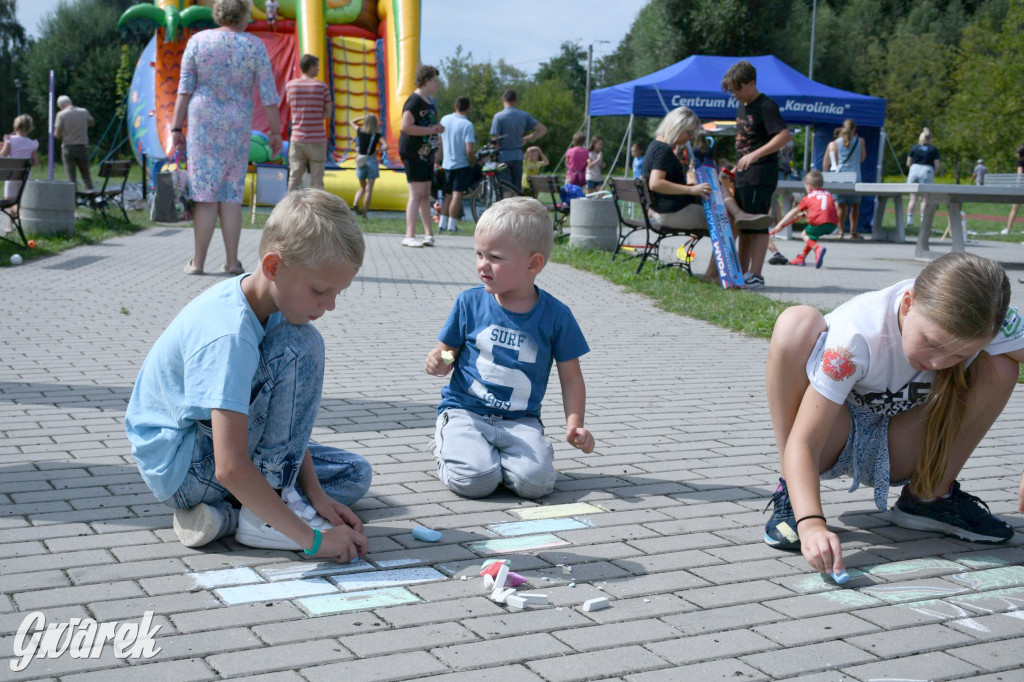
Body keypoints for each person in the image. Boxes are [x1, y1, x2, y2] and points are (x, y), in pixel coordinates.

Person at [125, 189, 373, 560]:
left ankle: (227, 517)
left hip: (208, 458)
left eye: (338, 292)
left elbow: (282, 426)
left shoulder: (269, 302)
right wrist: (315, 540)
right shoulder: (229, 333)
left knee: (354, 473)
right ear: (273, 267)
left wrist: (318, 497)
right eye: (321, 290)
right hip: (185, 467)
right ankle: (265, 517)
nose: (331, 306)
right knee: (302, 345)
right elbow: (229, 465)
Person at [763, 251, 1022, 578]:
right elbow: (805, 443)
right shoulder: (856, 335)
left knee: (1000, 365)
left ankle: (930, 497)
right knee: (795, 323)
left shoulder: (989, 316)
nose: (939, 363)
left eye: (960, 353)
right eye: (932, 342)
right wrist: (812, 524)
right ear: (908, 303)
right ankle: (792, 492)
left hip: (901, 442)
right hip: (831, 437)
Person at [424, 197, 594, 498]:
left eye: (495, 257)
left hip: (521, 421)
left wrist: (575, 424)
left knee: (537, 484)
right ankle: (451, 446)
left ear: (533, 263)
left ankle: (492, 459)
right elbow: (447, 351)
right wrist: (439, 360)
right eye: (479, 254)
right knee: (476, 482)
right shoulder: (470, 302)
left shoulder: (557, 315)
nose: (482, 265)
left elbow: (571, 378)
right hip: (466, 413)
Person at [171, 0, 282, 276]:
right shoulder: (254, 45)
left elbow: (184, 90)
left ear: (217, 14)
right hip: (237, 123)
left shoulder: (198, 41)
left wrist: (175, 128)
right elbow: (268, 94)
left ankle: (197, 263)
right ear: (243, 15)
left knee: (205, 194)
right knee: (231, 194)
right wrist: (276, 132)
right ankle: (233, 263)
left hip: (202, 122)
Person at [643, 106, 772, 282]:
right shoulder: (664, 151)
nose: (689, 138)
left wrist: (692, 187)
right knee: (729, 223)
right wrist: (691, 189)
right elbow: (656, 183)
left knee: (716, 185)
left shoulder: (655, 146)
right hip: (672, 213)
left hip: (663, 209)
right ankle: (712, 274)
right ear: (678, 127)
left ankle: (737, 214)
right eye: (688, 133)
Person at [721, 60, 793, 290]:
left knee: (758, 223)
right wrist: (738, 165)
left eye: (737, 89)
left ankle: (756, 274)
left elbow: (783, 136)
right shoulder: (743, 105)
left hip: (761, 174)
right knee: (743, 224)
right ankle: (742, 273)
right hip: (744, 174)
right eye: (732, 90)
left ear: (751, 83)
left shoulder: (766, 106)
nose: (735, 94)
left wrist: (754, 156)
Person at [399, 64, 443, 248]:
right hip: (413, 153)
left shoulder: (430, 101)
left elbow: (430, 126)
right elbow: (406, 126)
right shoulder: (414, 101)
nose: (437, 83)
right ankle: (409, 235)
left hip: (426, 154)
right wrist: (431, 129)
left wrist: (437, 130)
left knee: (425, 194)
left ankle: (428, 234)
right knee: (416, 194)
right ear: (425, 80)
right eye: (434, 80)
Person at [768, 170, 838, 268]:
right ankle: (801, 257)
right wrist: (807, 213)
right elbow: (824, 208)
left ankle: (817, 248)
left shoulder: (808, 197)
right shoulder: (827, 193)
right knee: (812, 236)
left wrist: (779, 225)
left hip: (820, 222)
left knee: (804, 234)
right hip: (833, 224)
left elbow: (793, 212)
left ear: (809, 186)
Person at [285, 54, 331, 192]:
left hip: (297, 138)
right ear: (311, 67)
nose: (317, 69)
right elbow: (328, 113)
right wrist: (317, 116)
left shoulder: (291, 86)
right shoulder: (322, 87)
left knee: (294, 179)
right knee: (317, 182)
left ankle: (289, 210)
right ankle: (318, 211)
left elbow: (290, 105)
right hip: (317, 139)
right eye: (317, 66)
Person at [490, 89, 547, 191]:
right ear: (516, 101)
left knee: (505, 188)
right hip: (518, 156)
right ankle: (516, 207)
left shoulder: (498, 117)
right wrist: (527, 138)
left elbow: (495, 140)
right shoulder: (524, 115)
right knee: (516, 188)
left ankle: (506, 207)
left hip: (503, 157)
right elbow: (542, 130)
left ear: (502, 99)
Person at [824, 119, 866, 239]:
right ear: (854, 129)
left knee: (841, 206)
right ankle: (852, 232)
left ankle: (841, 231)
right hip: (855, 176)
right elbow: (862, 158)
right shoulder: (860, 141)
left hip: (840, 176)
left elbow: (835, 161)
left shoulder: (836, 143)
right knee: (855, 206)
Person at [438, 96, 475, 233]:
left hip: (447, 163)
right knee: (457, 195)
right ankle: (452, 225)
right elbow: (469, 150)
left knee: (447, 195)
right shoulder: (467, 125)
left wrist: (437, 159)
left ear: (455, 105)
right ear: (468, 108)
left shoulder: (445, 120)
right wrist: (472, 162)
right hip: (461, 164)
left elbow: (440, 142)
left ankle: (442, 223)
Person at [1, 114, 40, 219]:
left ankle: (21, 215)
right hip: (25, 176)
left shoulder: (10, 140)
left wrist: (4, 144)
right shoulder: (33, 143)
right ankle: (11, 225)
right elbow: (35, 163)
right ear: (30, 128)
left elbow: (3, 155)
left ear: (15, 127)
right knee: (19, 200)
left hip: (11, 176)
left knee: (10, 200)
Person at [53, 95, 95, 191]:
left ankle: (73, 198)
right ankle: (91, 196)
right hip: (82, 147)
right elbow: (92, 122)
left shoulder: (61, 114)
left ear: (61, 105)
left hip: (68, 147)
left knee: (71, 176)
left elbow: (57, 134)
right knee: (86, 175)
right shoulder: (83, 111)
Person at [905, 128, 940, 229]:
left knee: (912, 198)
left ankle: (909, 220)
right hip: (927, 170)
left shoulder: (914, 148)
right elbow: (937, 165)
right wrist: (934, 172)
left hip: (914, 169)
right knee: (925, 198)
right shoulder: (933, 149)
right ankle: (923, 220)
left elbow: (908, 163)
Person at [350, 113, 381, 217]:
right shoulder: (377, 135)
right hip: (371, 161)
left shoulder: (360, 131)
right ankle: (364, 213)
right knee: (369, 190)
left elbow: (351, 122)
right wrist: (377, 150)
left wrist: (363, 117)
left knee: (362, 187)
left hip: (361, 160)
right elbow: (386, 146)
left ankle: (355, 203)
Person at [1001, 145, 1023, 236]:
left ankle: (1008, 229)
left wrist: (1017, 186)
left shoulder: (1021, 162)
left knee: (1014, 209)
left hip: (1022, 188)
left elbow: (1020, 175)